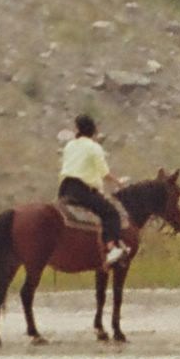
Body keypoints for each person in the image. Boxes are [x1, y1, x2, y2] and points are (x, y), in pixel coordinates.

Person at [58, 113, 131, 268]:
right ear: (93, 130)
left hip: (65, 189)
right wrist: (119, 183)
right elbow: (104, 173)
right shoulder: (94, 147)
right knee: (111, 213)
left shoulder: (70, 145)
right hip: (82, 190)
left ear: (77, 129)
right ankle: (112, 248)